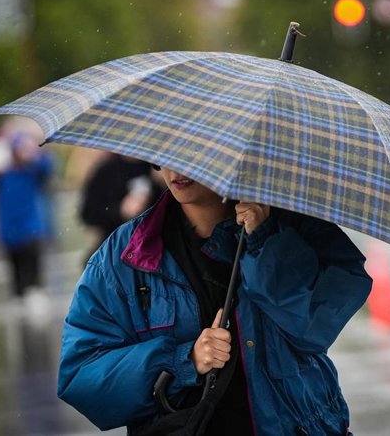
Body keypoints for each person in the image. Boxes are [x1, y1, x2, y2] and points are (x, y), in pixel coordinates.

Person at [57, 166, 372, 435]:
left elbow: (313, 329)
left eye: (190, 152)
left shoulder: (296, 226)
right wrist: (183, 361)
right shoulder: (124, 257)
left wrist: (265, 242)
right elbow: (81, 376)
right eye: (167, 152)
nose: (176, 169)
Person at [0, 131, 54, 297]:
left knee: (33, 273)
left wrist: (37, 152)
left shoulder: (32, 170)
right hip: (9, 231)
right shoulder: (1, 174)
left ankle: (34, 299)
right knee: (16, 276)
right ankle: (22, 301)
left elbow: (48, 168)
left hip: (31, 230)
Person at [79, 153, 162, 260]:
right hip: (114, 247)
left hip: (151, 248)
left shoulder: (156, 168)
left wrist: (160, 184)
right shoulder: (106, 170)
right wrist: (120, 209)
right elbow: (88, 214)